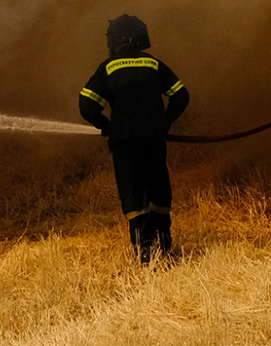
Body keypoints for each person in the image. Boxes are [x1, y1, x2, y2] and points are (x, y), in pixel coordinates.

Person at [79, 15, 190, 264]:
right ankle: (164, 245)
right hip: (154, 139)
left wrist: (106, 126)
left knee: (134, 193)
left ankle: (145, 252)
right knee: (158, 187)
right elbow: (181, 95)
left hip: (126, 142)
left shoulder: (109, 68)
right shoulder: (153, 64)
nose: (109, 43)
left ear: (121, 39)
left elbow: (86, 105)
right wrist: (165, 121)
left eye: (111, 38)